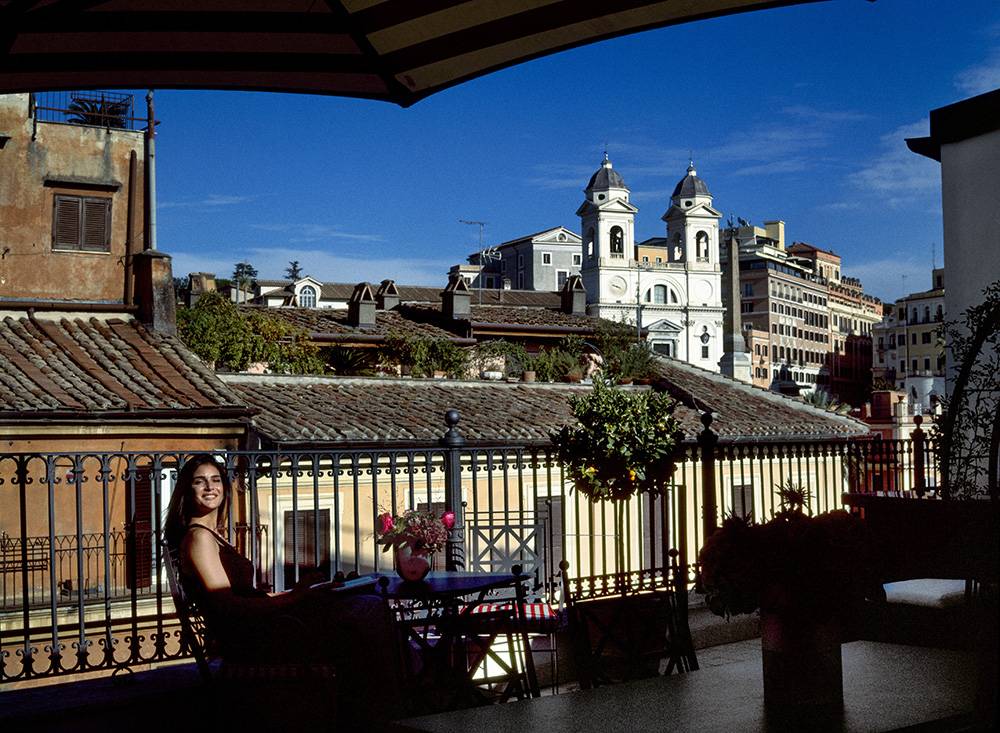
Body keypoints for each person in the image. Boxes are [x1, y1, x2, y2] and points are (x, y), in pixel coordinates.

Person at [164, 454, 403, 729]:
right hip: (256, 640)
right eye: (200, 481)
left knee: (363, 605)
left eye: (216, 480)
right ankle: (389, 712)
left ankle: (380, 712)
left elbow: (246, 597)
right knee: (368, 610)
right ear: (187, 489)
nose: (210, 487)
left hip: (265, 627)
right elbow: (228, 605)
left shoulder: (212, 535)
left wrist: (306, 589)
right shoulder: (199, 538)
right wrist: (295, 598)